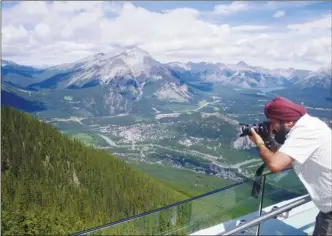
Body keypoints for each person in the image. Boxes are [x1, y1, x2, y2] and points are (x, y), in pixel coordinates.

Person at [249, 96, 332, 236]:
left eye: (272, 123)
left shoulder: (304, 132)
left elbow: (275, 165)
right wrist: (267, 140)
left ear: (288, 121)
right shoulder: (309, 125)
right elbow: (285, 162)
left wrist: (259, 143)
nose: (272, 128)